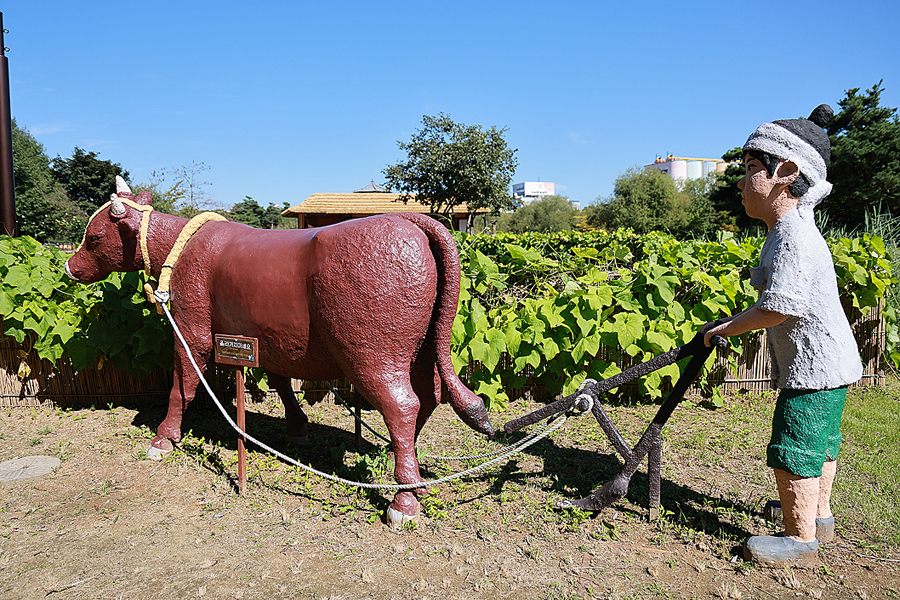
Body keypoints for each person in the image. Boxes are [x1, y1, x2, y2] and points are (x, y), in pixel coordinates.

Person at [701, 104, 863, 566]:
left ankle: (800, 538)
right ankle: (818, 515)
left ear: (786, 172)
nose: (741, 181)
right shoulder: (787, 231)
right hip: (830, 362)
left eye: (752, 168)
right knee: (821, 442)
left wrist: (729, 327)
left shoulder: (793, 235)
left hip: (815, 368)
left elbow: (779, 306)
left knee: (795, 444)